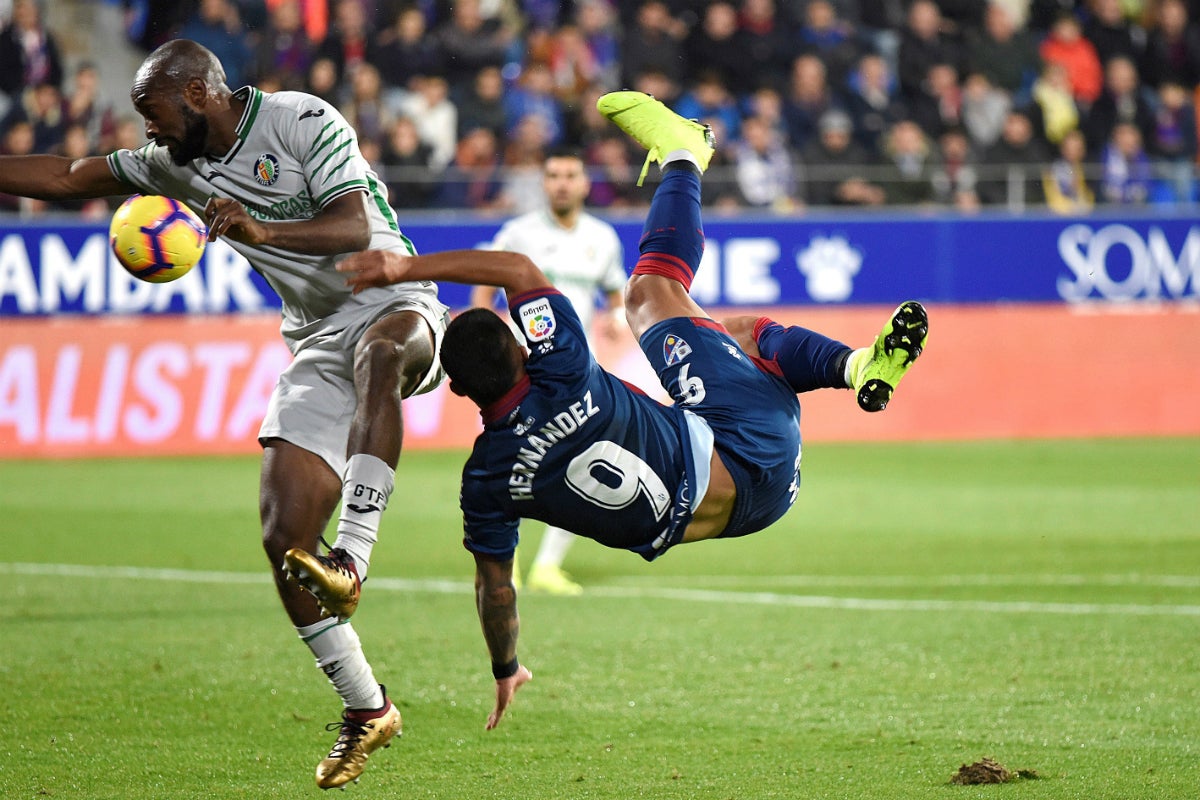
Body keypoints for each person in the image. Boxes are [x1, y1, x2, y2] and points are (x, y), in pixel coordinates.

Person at [336, 92, 929, 729]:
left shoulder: (486, 478)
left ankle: (853, 367)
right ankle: (686, 154)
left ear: (457, 389)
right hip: (745, 444)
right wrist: (402, 265)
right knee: (652, 293)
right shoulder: (559, 358)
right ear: (520, 344)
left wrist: (505, 667)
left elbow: (496, 589)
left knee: (733, 336)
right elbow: (514, 267)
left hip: (759, 507)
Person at [0, 39, 448, 789]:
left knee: (378, 354)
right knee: (284, 539)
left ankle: (356, 560)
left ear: (199, 95)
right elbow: (69, 175)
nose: (150, 132)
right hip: (314, 342)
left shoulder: (305, 120)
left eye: (156, 113)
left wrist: (263, 230)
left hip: (394, 301)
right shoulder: (172, 161)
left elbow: (349, 226)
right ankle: (367, 708)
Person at [469, 147, 626, 595]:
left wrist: (616, 320)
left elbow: (616, 294)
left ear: (583, 183)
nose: (561, 182)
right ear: (544, 182)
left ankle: (547, 567)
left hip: (580, 371)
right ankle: (507, 561)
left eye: (570, 174)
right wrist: (485, 332)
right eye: (553, 174)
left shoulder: (602, 237)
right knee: (515, 462)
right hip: (526, 371)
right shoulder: (520, 233)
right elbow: (484, 279)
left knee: (585, 464)